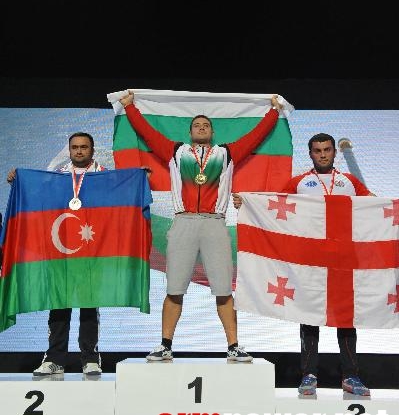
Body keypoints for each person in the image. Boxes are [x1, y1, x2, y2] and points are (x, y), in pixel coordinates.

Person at [118, 90, 284, 362]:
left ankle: (233, 347)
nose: (202, 128)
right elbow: (147, 133)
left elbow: (255, 136)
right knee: (174, 288)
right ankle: (165, 345)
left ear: (212, 131)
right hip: (183, 222)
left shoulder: (226, 154)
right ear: (191, 131)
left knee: (223, 288)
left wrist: (274, 111)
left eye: (206, 125)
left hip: (214, 224)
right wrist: (130, 108)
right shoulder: (175, 152)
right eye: (197, 125)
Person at [233, 132, 373, 396]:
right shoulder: (299, 183)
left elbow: (372, 205)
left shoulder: (349, 182)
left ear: (333, 152)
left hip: (343, 260)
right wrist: (248, 202)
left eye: (327, 150)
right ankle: (308, 375)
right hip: (310, 260)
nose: (322, 154)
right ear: (310, 154)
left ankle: (351, 376)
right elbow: (272, 205)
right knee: (309, 316)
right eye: (317, 150)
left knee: (346, 317)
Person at [7, 132, 106, 377]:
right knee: (59, 306)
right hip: (61, 249)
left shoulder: (105, 175)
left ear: (92, 150)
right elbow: (38, 194)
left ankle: (90, 359)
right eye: (75, 147)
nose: (79, 151)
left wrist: (138, 178)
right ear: (69, 150)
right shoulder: (59, 175)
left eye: (84, 147)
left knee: (88, 306)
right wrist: (18, 181)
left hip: (91, 250)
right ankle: (54, 359)